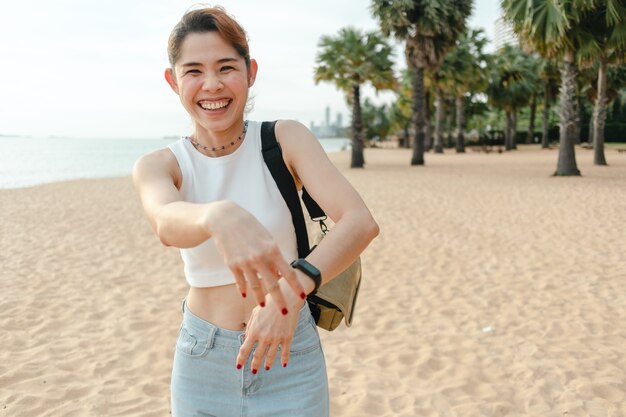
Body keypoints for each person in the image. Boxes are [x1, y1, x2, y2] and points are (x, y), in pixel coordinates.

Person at [132, 6, 379, 417]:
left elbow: (359, 222)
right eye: (193, 71)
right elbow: (165, 222)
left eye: (226, 67)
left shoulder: (285, 139)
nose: (211, 85)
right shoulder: (161, 165)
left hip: (290, 355)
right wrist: (218, 215)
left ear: (251, 72)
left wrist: (290, 291)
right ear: (172, 81)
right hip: (202, 361)